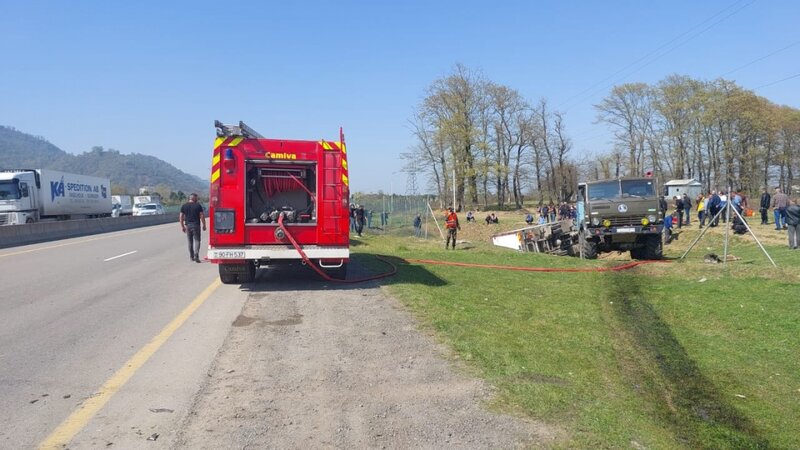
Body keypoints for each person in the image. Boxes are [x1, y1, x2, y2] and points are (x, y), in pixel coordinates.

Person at [180, 193, 206, 263]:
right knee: (197, 241)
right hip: (196, 225)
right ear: (193, 198)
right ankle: (196, 255)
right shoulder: (198, 205)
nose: (197, 199)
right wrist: (204, 225)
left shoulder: (184, 206)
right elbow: (202, 216)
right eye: (196, 198)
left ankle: (192, 257)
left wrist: (182, 226)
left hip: (188, 226)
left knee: (190, 241)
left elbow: (181, 216)